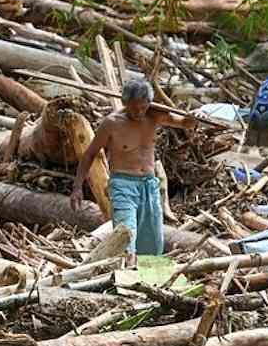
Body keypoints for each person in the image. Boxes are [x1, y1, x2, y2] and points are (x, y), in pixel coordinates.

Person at [70, 79, 198, 268]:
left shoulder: (155, 116)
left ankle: (148, 283)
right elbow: (89, 154)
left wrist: (193, 118)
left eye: (142, 107)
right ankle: (125, 274)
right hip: (122, 185)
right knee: (125, 234)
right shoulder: (112, 123)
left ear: (148, 103)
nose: (138, 112)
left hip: (149, 185)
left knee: (153, 240)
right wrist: (77, 187)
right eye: (133, 108)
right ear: (124, 103)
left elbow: (186, 123)